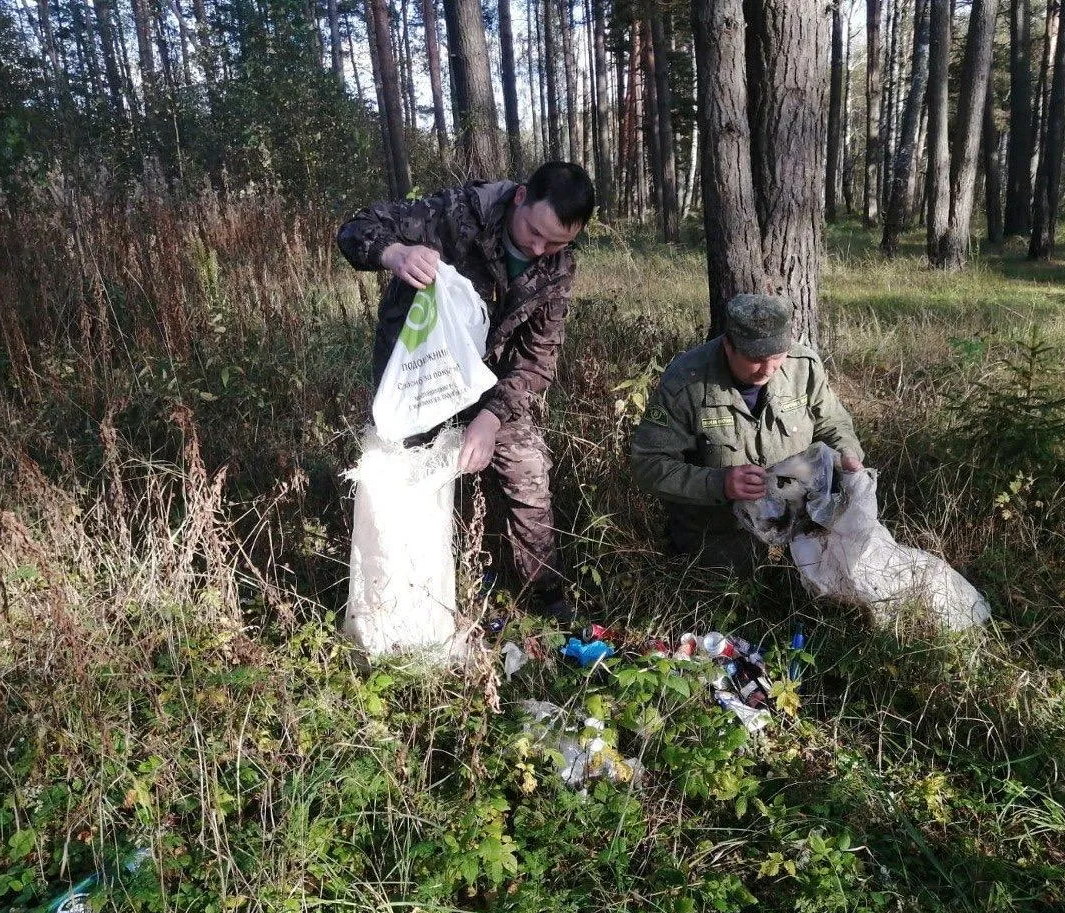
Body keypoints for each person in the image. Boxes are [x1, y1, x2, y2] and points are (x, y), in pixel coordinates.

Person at [336, 161, 595, 621]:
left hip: (488, 383)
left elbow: (536, 359)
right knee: (404, 479)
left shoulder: (558, 265)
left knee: (527, 470)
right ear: (520, 197)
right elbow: (356, 227)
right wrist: (394, 253)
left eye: (556, 241)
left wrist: (490, 420)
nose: (540, 248)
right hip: (420, 376)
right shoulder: (455, 212)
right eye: (535, 232)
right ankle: (404, 603)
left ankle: (547, 598)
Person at [630, 293, 865, 575]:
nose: (768, 369)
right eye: (755, 358)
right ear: (728, 345)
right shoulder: (686, 382)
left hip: (800, 524)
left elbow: (833, 423)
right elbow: (649, 465)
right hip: (720, 535)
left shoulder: (804, 367)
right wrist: (719, 483)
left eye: (777, 356)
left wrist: (847, 455)